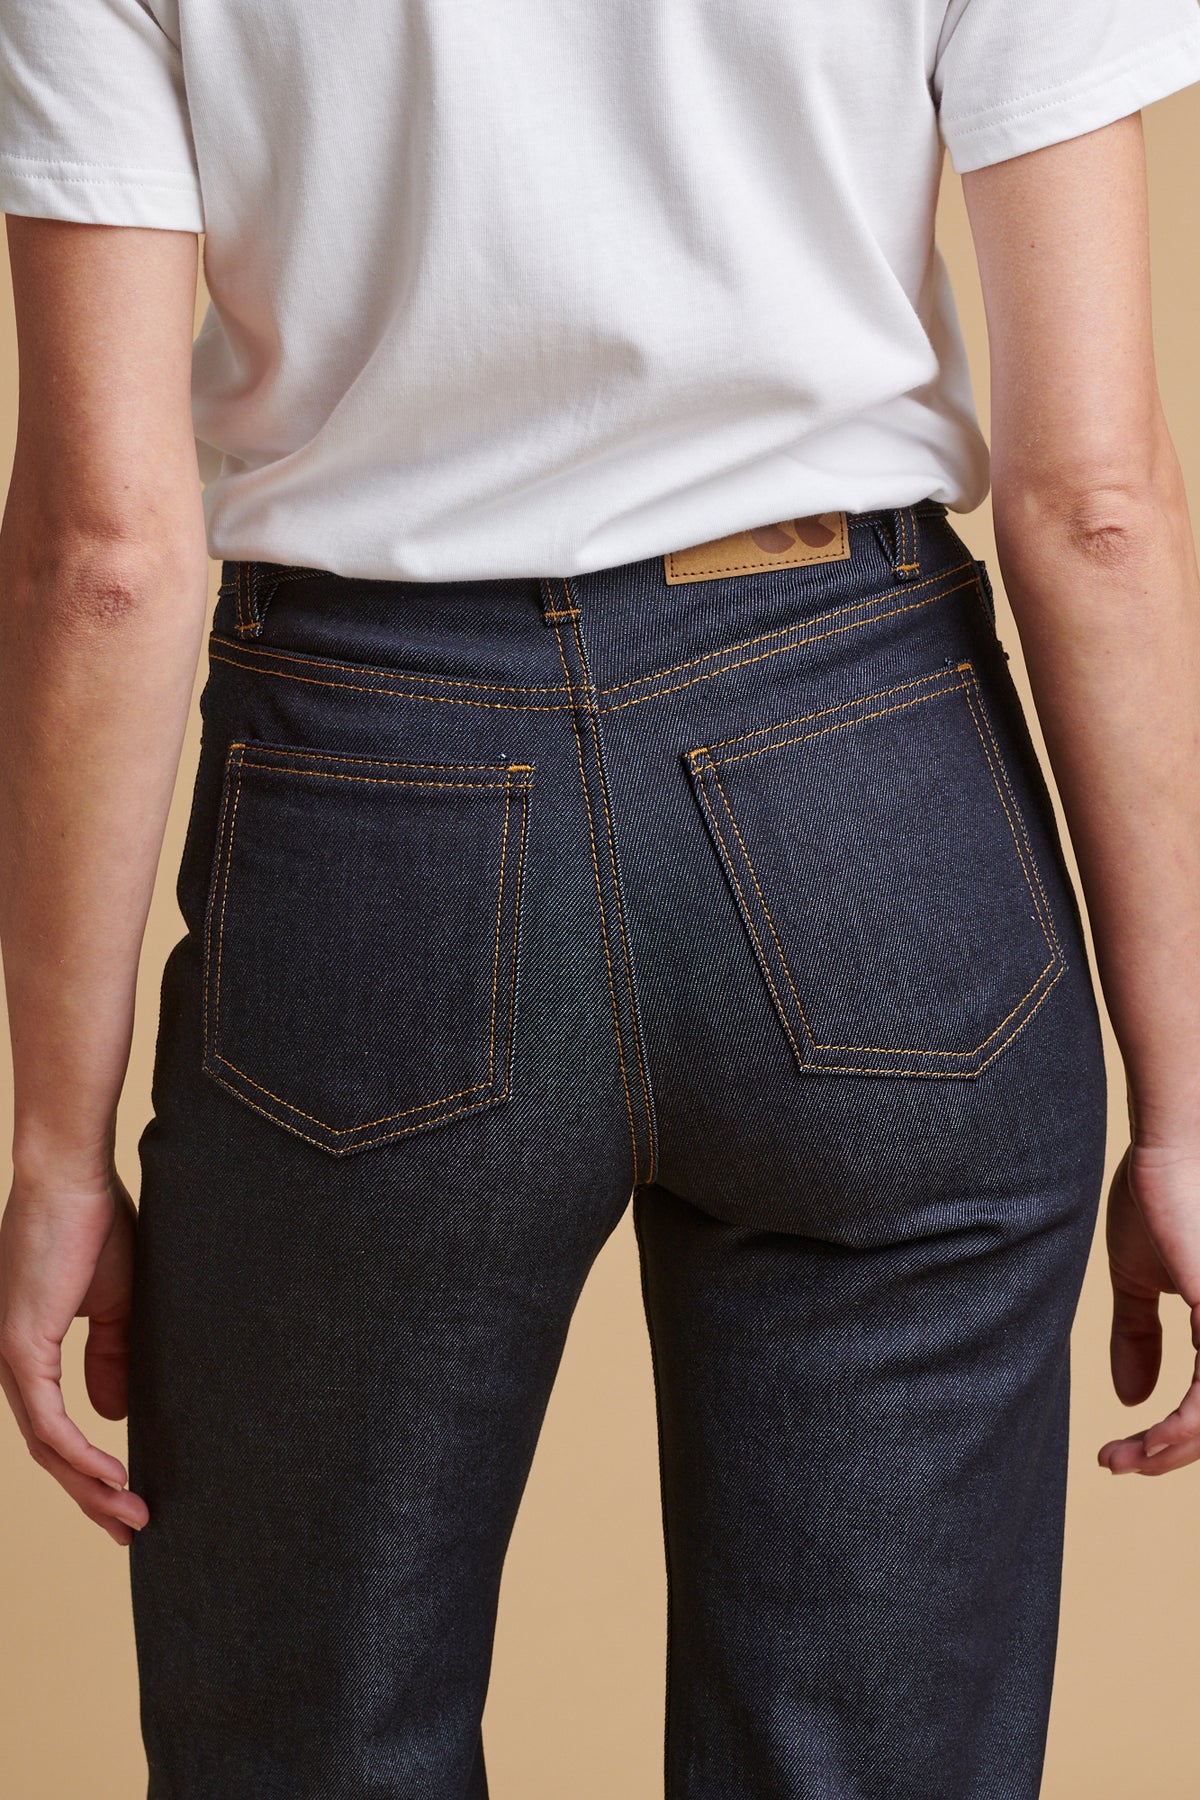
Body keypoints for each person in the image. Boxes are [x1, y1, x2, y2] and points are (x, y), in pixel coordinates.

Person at [2, 1, 1200, 1794]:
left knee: (308, 1749)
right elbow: (1095, 499)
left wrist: (55, 1143)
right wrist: (1186, 1106)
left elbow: (106, 554)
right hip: (866, 771)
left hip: (373, 806)